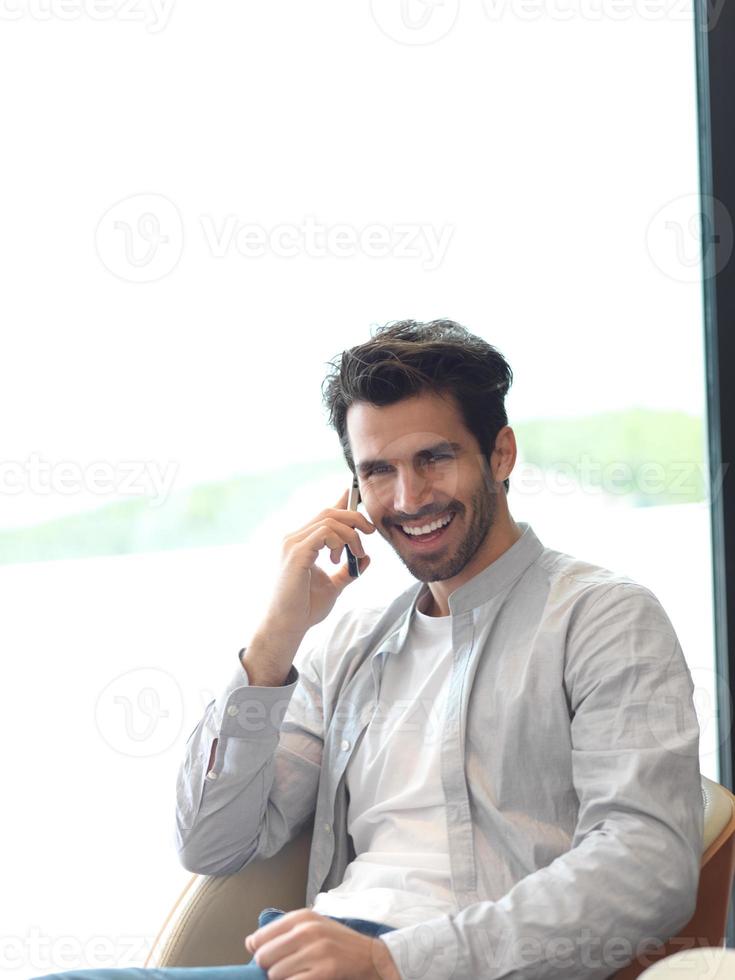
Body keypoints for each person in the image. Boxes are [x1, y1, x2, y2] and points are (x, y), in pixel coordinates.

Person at [35, 319, 703, 980]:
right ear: (353, 490)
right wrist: (276, 637)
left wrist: (394, 961)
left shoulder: (603, 617)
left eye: (433, 458)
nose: (408, 499)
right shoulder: (348, 647)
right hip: (316, 958)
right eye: (378, 471)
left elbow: (646, 864)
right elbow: (213, 842)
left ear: (499, 454)